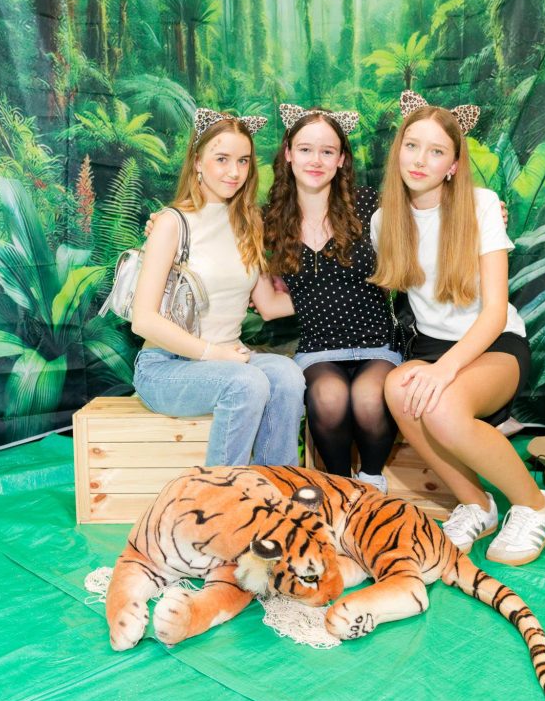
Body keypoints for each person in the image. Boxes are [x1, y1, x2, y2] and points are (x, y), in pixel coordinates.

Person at [371, 91, 545, 565]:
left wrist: (444, 371)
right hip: (432, 346)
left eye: (436, 151)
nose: (420, 160)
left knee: (443, 405)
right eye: (412, 146)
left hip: (494, 344)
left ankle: (535, 506)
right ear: (398, 151)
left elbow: (494, 312)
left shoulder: (481, 205)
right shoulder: (383, 221)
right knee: (398, 389)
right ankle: (476, 505)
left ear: (453, 164)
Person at [131, 107, 305, 467]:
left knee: (288, 375)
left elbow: (269, 304)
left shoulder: (249, 222)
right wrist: (214, 353)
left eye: (243, 161)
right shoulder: (171, 223)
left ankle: (275, 485)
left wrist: (339, 292)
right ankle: (221, 494)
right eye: (221, 159)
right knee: (247, 383)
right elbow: (142, 320)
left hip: (231, 359)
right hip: (166, 366)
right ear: (197, 161)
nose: (234, 172)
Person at [254, 103, 402, 492]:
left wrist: (482, 209)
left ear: (341, 159)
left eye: (327, 151)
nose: (316, 160)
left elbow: (428, 219)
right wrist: (162, 224)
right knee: (329, 396)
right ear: (288, 154)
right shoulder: (269, 219)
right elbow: (268, 307)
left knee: (369, 397)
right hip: (319, 349)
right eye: (305, 149)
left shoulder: (370, 205)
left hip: (376, 344)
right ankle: (339, 487)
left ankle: (371, 483)